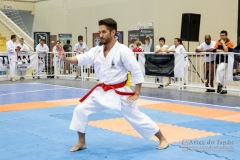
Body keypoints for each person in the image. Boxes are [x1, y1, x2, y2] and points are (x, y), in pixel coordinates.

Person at [56, 18, 168, 152]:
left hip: (119, 91)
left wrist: (137, 92)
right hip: (102, 90)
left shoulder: (123, 51)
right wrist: (64, 58)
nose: (101, 35)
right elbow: (81, 59)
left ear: (113, 32)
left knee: (136, 117)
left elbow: (136, 70)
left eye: (104, 32)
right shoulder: (97, 50)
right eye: (99, 32)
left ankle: (162, 138)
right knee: (80, 110)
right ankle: (81, 142)